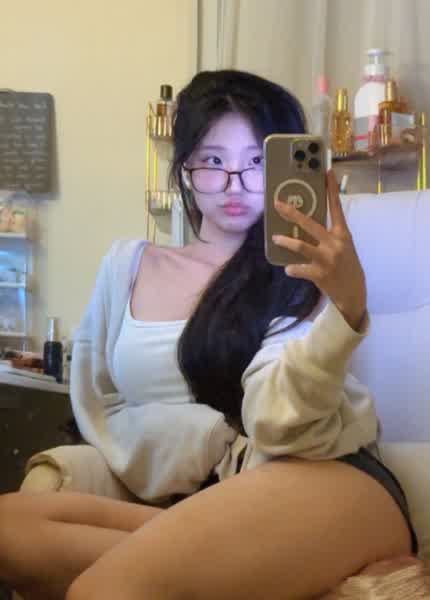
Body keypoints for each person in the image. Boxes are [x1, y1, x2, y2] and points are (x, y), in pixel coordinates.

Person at [0, 70, 417, 600]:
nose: (236, 184)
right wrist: (195, 445)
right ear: (185, 168)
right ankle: (227, 566)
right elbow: (98, 399)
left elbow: (281, 424)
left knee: (103, 589)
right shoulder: (127, 264)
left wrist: (344, 308)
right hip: (211, 502)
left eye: (258, 163)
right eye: (214, 162)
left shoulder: (301, 271)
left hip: (324, 476)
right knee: (9, 528)